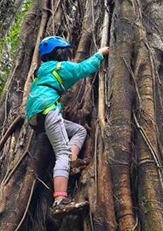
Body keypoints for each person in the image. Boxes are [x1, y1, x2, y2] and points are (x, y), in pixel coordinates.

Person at [26, 36, 109, 213]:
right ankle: (60, 200)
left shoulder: (43, 71)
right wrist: (100, 54)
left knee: (79, 131)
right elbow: (83, 68)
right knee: (61, 152)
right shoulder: (60, 67)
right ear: (61, 53)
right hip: (49, 108)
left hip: (37, 116)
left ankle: (71, 162)